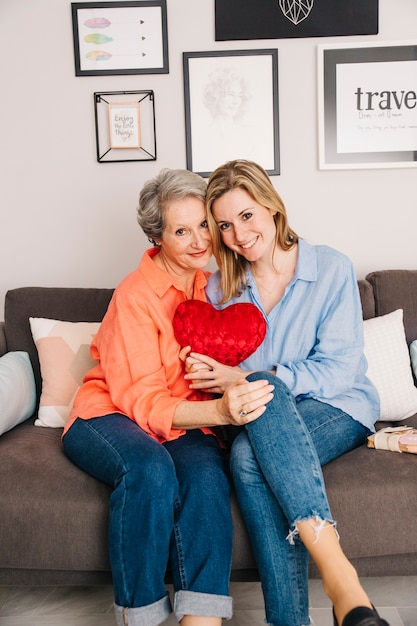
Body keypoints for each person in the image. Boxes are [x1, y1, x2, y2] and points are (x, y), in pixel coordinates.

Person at [62, 168, 274, 626]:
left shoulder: (211, 283)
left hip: (182, 420)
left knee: (207, 476)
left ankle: (202, 619)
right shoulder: (134, 296)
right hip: (108, 414)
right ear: (157, 236)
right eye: (182, 230)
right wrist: (219, 409)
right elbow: (142, 400)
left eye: (204, 224)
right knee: (150, 468)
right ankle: (140, 615)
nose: (200, 241)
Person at [183, 160, 389, 626]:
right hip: (257, 420)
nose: (239, 234)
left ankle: (297, 615)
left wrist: (259, 377)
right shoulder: (219, 288)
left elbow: (339, 369)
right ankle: (345, 588)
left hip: (339, 407)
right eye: (225, 226)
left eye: (247, 215)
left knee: (253, 440)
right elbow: (204, 367)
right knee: (246, 455)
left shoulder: (331, 268)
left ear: (273, 208)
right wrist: (223, 375)